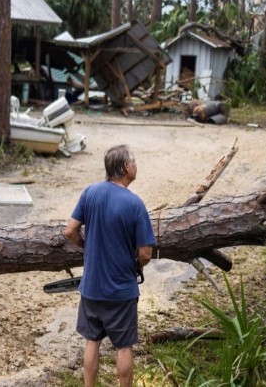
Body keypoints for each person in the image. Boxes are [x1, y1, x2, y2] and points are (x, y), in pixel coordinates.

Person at [64, 144, 156, 387]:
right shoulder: (135, 204)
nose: (136, 166)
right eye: (134, 162)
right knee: (124, 346)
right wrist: (137, 264)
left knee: (92, 341)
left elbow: (70, 230)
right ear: (126, 167)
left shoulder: (90, 193)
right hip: (121, 291)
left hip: (91, 288)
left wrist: (88, 247)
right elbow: (146, 253)